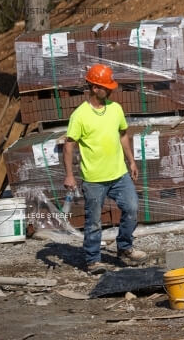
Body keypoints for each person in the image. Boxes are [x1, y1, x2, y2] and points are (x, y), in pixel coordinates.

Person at [63, 63, 147, 274]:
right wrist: (70, 175)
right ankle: (93, 260)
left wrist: (132, 161)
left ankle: (125, 248)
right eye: (105, 87)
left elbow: (123, 135)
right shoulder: (80, 115)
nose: (110, 90)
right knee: (94, 221)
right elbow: (69, 144)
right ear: (94, 87)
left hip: (119, 174)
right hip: (93, 179)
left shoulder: (115, 109)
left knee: (132, 208)